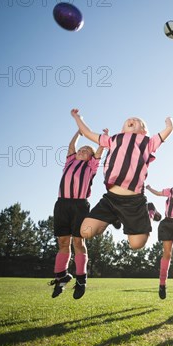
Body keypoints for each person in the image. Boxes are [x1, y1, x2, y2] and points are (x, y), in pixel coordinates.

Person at [70, 108, 173, 250]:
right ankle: (113, 217)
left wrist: (169, 125)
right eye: (129, 120)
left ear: (143, 131)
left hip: (134, 201)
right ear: (122, 129)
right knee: (85, 232)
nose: (132, 120)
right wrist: (77, 117)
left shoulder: (147, 142)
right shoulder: (113, 140)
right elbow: (88, 133)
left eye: (138, 121)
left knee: (136, 245)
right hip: (111, 199)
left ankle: (149, 211)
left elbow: (164, 134)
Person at [49, 128, 105, 299]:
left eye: (87, 151)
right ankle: (62, 276)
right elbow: (72, 145)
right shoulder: (69, 162)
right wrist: (78, 133)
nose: (82, 151)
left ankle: (81, 280)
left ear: (90, 157)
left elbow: (100, 150)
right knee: (63, 242)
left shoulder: (91, 167)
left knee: (78, 242)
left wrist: (102, 140)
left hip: (80, 206)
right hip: (62, 205)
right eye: (81, 149)